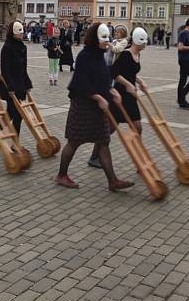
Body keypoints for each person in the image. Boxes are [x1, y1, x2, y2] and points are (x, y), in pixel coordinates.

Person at [55, 22, 134, 191]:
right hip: (82, 106)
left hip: (98, 108)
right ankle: (61, 175)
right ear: (94, 38)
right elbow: (80, 82)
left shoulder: (100, 55)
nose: (107, 41)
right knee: (74, 141)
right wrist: (97, 96)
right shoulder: (85, 56)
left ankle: (112, 181)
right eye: (103, 38)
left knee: (103, 142)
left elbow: (103, 78)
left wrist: (112, 91)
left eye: (108, 37)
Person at [110, 27, 149, 134]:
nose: (145, 44)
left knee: (137, 127)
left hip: (130, 96)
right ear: (136, 41)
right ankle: (99, 148)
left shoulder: (138, 54)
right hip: (120, 94)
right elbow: (114, 72)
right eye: (143, 42)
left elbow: (130, 73)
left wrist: (141, 82)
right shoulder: (126, 54)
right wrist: (127, 84)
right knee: (110, 128)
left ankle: (138, 149)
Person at [0, 20, 33, 136]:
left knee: (10, 113)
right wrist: (10, 86)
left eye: (22, 32)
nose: (22, 34)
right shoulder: (7, 47)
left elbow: (24, 67)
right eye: (19, 33)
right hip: (10, 85)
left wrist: (27, 82)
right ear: (13, 33)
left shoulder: (23, 47)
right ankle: (15, 144)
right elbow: (5, 69)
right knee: (17, 115)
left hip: (20, 84)